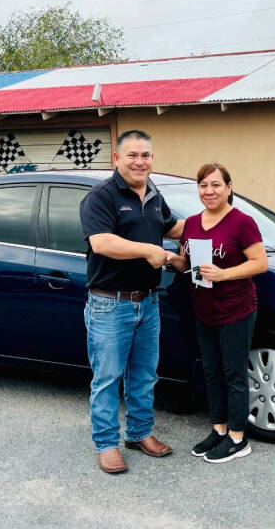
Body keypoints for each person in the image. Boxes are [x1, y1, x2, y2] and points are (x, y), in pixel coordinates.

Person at [79, 129, 184, 474]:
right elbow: (102, 243)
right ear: (117, 158)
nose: (140, 162)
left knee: (144, 375)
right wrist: (150, 251)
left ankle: (139, 433)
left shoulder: (153, 194)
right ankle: (106, 444)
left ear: (152, 158)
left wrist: (218, 220)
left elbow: (172, 227)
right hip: (110, 304)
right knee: (107, 376)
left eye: (146, 155)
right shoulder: (101, 196)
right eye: (132, 155)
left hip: (148, 302)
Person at [167, 162, 268, 463]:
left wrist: (224, 274)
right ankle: (219, 429)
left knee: (234, 373)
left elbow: (260, 263)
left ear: (228, 187)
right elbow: (190, 265)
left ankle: (238, 438)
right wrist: (174, 260)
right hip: (204, 309)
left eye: (215, 185)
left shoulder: (242, 222)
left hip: (236, 308)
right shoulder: (192, 223)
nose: (209, 191)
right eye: (203, 185)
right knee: (211, 373)